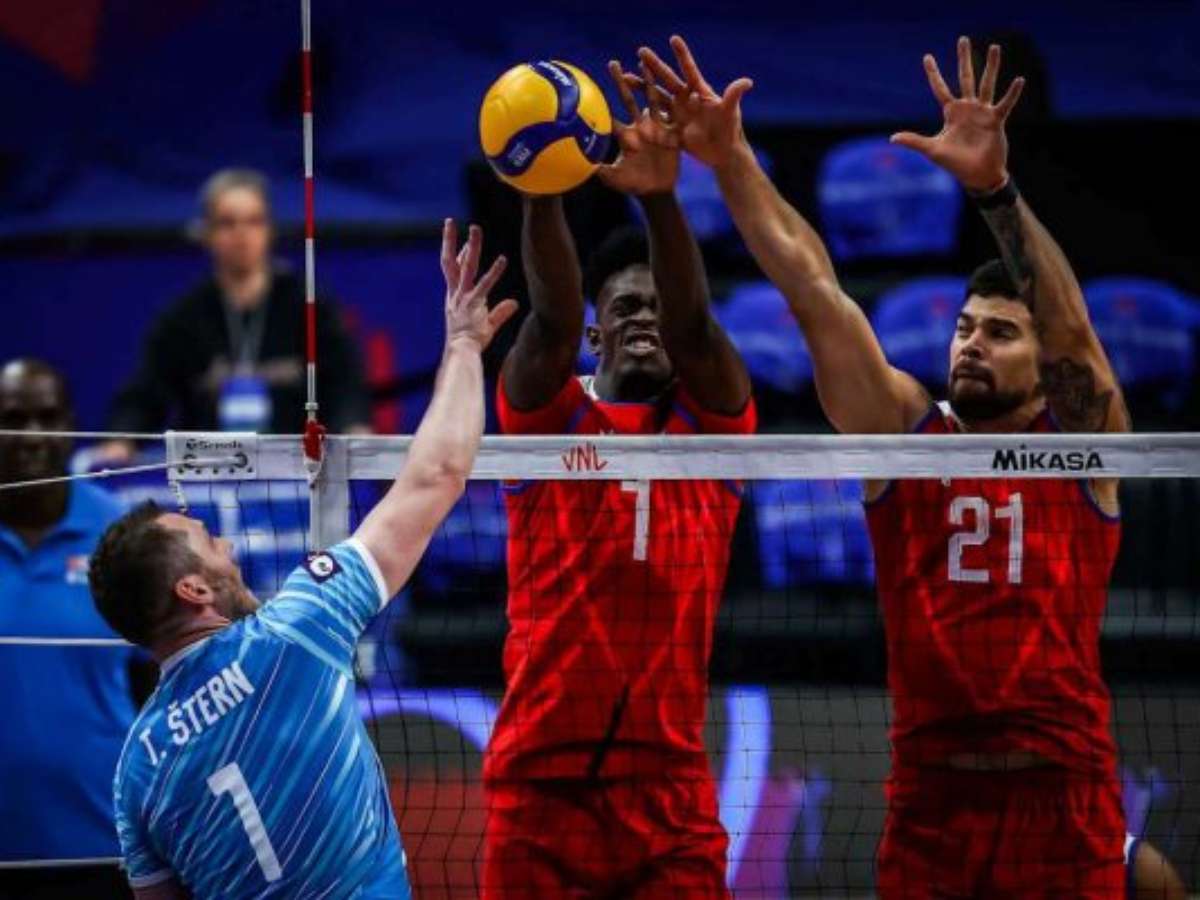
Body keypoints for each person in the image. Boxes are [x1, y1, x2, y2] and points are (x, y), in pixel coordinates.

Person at [638, 34, 1187, 898]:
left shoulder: (1085, 446)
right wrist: (731, 159)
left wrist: (994, 192)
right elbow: (815, 293)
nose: (970, 344)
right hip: (934, 806)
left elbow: (1074, 332)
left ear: (1041, 363)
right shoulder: (902, 430)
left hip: (1061, 798)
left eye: (1000, 333)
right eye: (965, 327)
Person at [88, 221, 516, 899]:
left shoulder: (135, 769)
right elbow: (436, 474)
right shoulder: (295, 630)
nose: (228, 547)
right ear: (194, 589)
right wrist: (464, 344)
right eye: (209, 542)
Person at [482, 60, 755, 899]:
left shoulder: (715, 432)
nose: (646, 321)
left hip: (667, 794)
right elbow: (553, 318)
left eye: (656, 309)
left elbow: (695, 326)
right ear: (598, 338)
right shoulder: (547, 418)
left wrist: (662, 199)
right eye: (625, 310)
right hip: (538, 786)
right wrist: (542, 186)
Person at [98, 168, 370, 463]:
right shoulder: (183, 318)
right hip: (210, 469)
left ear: (270, 230)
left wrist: (354, 427)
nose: (242, 235)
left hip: (298, 466)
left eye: (254, 221)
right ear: (206, 233)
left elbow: (345, 384)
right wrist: (121, 440)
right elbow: (147, 391)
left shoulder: (310, 307)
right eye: (227, 223)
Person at [0, 359, 136, 900]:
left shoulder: (122, 533)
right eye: (14, 420)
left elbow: (159, 682)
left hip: (105, 849)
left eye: (48, 417)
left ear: (72, 425)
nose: (32, 436)